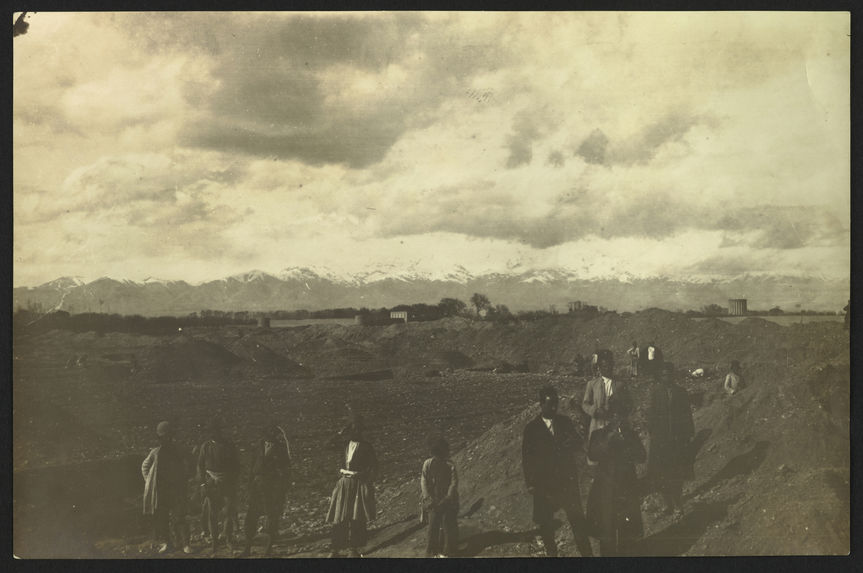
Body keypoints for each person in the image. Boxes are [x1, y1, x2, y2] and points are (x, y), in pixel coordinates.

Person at [522, 386, 593, 558]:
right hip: (544, 485)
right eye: (549, 405)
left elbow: (577, 442)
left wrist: (568, 444)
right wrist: (531, 483)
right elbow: (527, 459)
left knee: (577, 522)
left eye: (555, 404)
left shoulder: (564, 422)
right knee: (546, 526)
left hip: (566, 483)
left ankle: (588, 556)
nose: (553, 408)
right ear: (541, 404)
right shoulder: (532, 429)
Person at [585, 395, 646, 556]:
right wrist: (609, 439)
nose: (619, 419)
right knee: (607, 537)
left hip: (627, 492)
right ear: (610, 416)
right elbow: (592, 455)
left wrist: (626, 439)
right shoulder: (598, 434)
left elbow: (642, 456)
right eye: (616, 415)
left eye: (622, 415)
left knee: (627, 536)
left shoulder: (630, 435)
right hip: (607, 493)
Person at [326, 411, 379, 558]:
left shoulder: (367, 447)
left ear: (362, 430)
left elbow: (374, 467)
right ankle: (335, 549)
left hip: (358, 484)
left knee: (357, 516)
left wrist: (367, 482)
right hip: (343, 483)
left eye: (358, 429)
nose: (355, 431)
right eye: (352, 428)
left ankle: (353, 549)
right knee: (340, 516)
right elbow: (327, 445)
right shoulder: (344, 444)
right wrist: (339, 433)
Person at [646, 362, 695, 519]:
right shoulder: (656, 392)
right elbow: (651, 414)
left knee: (676, 474)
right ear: (660, 376)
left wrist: (688, 434)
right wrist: (653, 432)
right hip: (660, 441)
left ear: (672, 375)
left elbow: (687, 414)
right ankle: (667, 504)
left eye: (669, 374)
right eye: (663, 375)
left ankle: (678, 505)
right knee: (661, 474)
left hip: (677, 440)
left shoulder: (681, 392)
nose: (666, 377)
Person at [240, 424, 292, 557]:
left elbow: (286, 471)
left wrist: (281, 491)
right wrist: (249, 486)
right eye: (267, 434)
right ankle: (247, 548)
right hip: (257, 487)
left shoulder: (281, 449)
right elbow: (252, 467)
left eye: (272, 435)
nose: (269, 437)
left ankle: (268, 550)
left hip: (272, 489)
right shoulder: (258, 446)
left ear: (275, 436)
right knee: (251, 517)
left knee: (272, 518)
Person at [141, 421, 192, 555]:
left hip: (176, 490)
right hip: (161, 491)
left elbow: (189, 464)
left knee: (179, 517)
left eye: (169, 436)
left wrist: (184, 478)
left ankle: (185, 544)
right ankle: (167, 543)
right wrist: (150, 481)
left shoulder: (179, 450)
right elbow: (145, 466)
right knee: (162, 518)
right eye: (163, 437)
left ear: (172, 436)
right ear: (160, 438)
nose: (166, 439)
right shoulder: (155, 452)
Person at [196, 419, 240, 556]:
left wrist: (231, 480)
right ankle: (215, 542)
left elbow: (236, 465)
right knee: (212, 514)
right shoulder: (205, 446)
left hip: (227, 483)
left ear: (219, 431)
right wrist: (203, 483)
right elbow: (200, 466)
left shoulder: (229, 445)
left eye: (214, 431)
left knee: (229, 512)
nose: (212, 434)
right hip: (211, 484)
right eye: (210, 432)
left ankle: (228, 539)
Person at [582, 350, 630, 465]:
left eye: (609, 365)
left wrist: (620, 413)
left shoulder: (620, 384)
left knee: (615, 457)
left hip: (614, 425)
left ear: (613, 366)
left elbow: (629, 404)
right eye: (603, 366)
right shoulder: (592, 384)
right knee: (598, 456)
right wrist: (594, 411)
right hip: (597, 425)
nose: (607, 368)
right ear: (599, 367)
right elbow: (585, 404)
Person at [420, 435, 459, 558]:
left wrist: (448, 498)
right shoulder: (428, 464)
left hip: (448, 500)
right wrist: (428, 497)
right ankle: (432, 550)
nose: (440, 456)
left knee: (448, 524)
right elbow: (424, 481)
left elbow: (454, 482)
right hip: (433, 500)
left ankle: (449, 550)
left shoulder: (450, 465)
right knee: (433, 525)